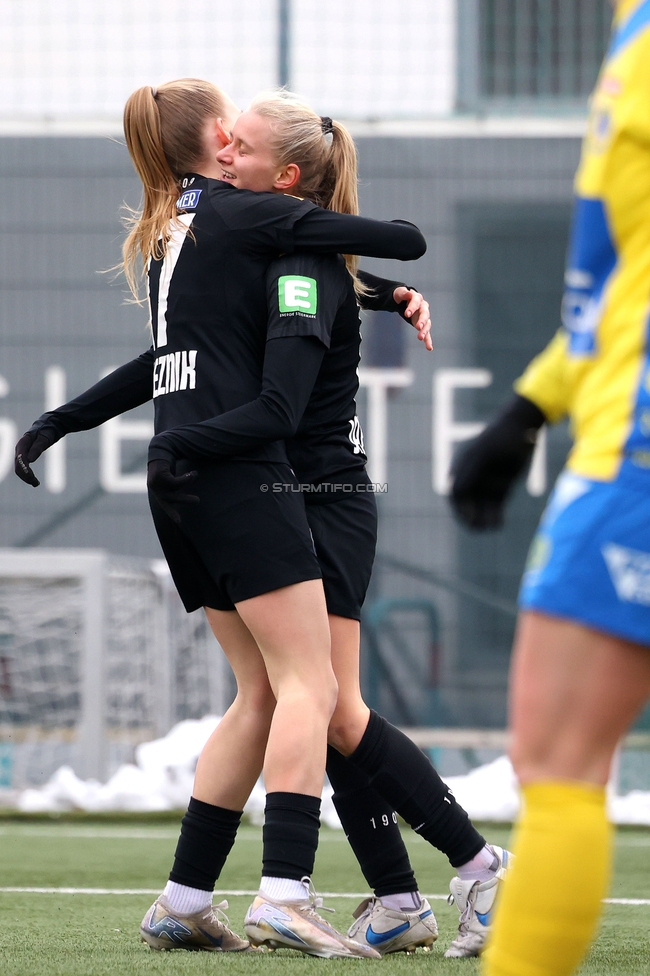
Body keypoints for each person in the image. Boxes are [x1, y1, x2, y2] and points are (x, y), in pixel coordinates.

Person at [16, 83, 508, 959]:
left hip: (316, 494)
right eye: (227, 137)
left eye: (246, 142)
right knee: (301, 698)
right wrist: (380, 291)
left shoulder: (252, 236)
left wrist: (377, 291)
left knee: (322, 700)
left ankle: (439, 877)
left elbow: (294, 343)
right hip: (263, 483)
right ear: (214, 141)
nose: (232, 153)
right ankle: (402, 888)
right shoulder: (243, 235)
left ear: (280, 174)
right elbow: (233, 338)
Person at [451, 3, 650, 973]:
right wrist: (528, 407)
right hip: (610, 417)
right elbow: (620, 278)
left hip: (638, 452)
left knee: (559, 764)